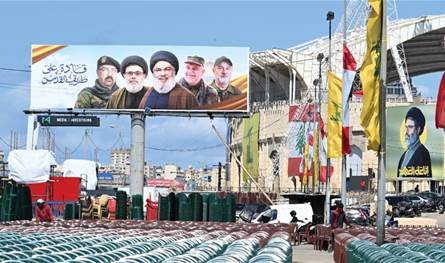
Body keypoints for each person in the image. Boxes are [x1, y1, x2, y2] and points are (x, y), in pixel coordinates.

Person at [397, 107, 432, 181]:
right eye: (406, 127)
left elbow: (425, 179)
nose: (406, 132)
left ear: (418, 129)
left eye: (410, 127)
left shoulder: (423, 153)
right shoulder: (404, 155)